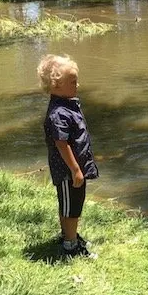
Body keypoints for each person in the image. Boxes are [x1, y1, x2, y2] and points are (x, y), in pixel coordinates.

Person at [38, 54, 99, 257]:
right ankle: (70, 246)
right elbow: (61, 143)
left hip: (74, 169)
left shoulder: (68, 104)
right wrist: (75, 169)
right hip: (68, 171)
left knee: (72, 205)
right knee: (71, 207)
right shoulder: (58, 113)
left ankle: (68, 235)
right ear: (56, 86)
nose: (77, 85)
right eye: (72, 82)